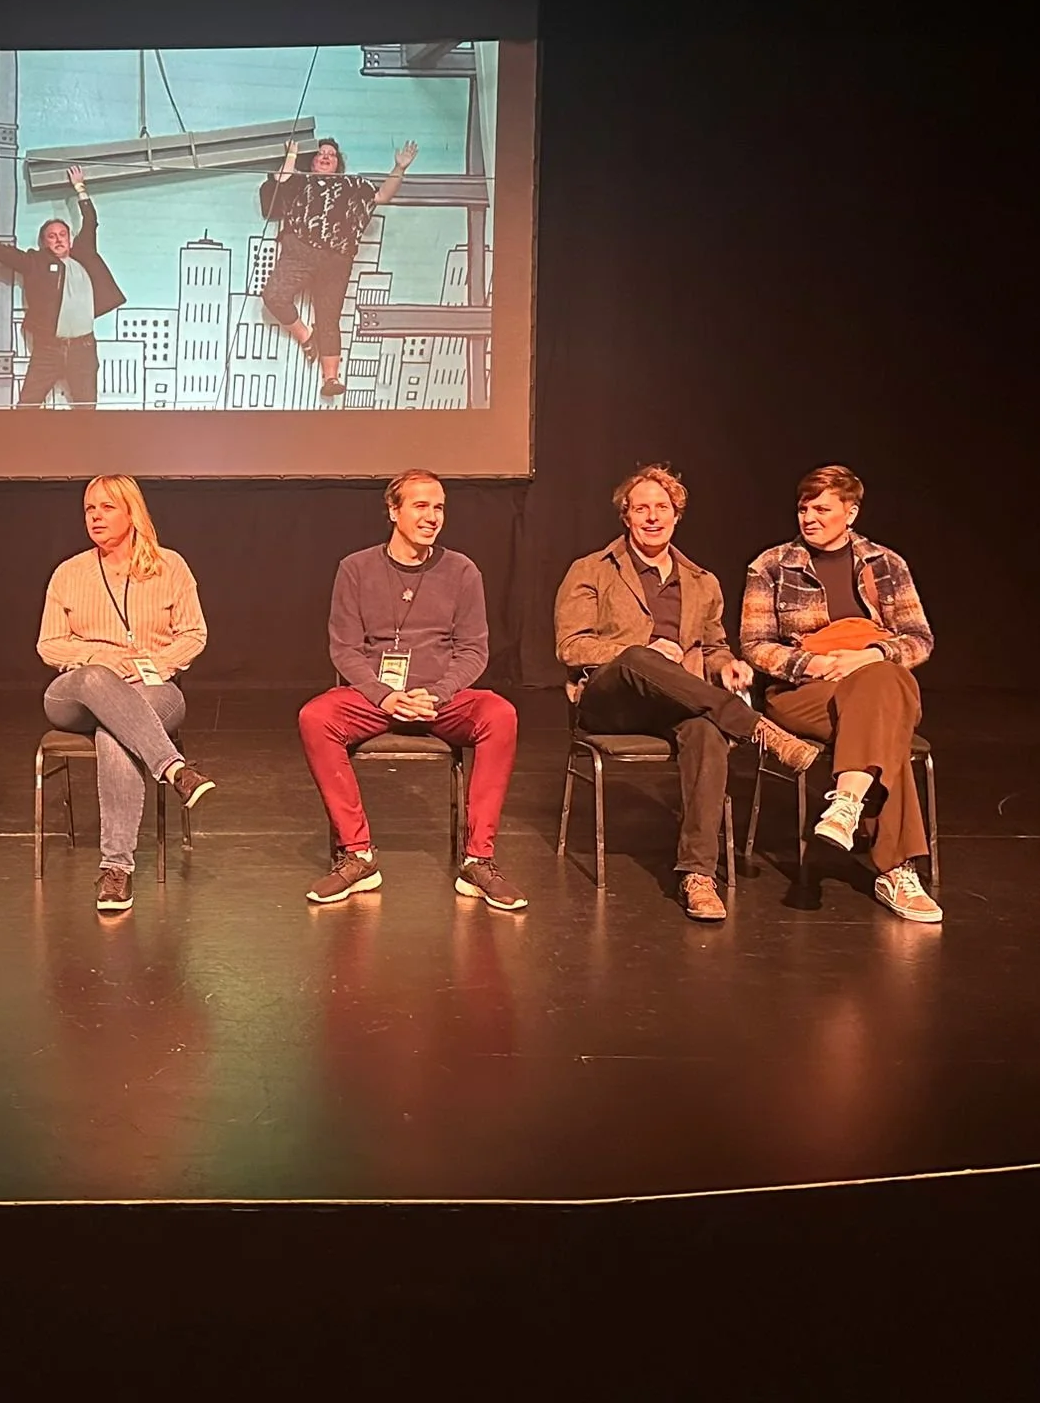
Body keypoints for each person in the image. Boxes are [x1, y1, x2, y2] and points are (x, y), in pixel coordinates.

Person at [555, 465, 822, 920]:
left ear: (677, 515)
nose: (652, 517)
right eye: (641, 509)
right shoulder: (591, 570)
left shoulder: (702, 582)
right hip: (610, 700)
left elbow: (714, 647)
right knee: (642, 658)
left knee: (706, 730)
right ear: (626, 516)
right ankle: (761, 730)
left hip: (679, 698)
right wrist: (639, 649)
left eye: (662, 508)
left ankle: (698, 874)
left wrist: (728, 666)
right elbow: (571, 645)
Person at [298, 469, 524, 911]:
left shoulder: (462, 571)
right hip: (377, 698)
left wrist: (437, 694)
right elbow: (345, 650)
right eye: (420, 506)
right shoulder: (356, 568)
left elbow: (473, 651)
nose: (432, 516)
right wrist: (384, 695)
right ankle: (358, 855)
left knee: (500, 714)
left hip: (442, 699)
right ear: (393, 511)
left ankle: (479, 861)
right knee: (316, 716)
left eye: (439, 507)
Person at [741, 465, 940, 922]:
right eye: (803, 508)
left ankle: (847, 802)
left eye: (822, 508)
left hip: (872, 684)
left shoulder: (887, 565)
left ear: (850, 512)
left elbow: (918, 638)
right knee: (886, 723)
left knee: (882, 681)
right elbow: (755, 645)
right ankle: (896, 870)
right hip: (802, 690)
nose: (809, 517)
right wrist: (818, 664)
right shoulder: (771, 565)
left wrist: (868, 655)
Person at [37, 475, 215, 915]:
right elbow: (49, 645)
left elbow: (194, 634)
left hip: (153, 688)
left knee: (115, 734)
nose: (95, 517)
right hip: (75, 692)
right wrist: (98, 656)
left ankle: (116, 869)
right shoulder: (69, 572)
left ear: (132, 513)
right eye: (88, 509)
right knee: (99, 681)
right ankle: (173, 767)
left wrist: (157, 666)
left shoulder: (170, 566)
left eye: (106, 508)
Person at [0, 167, 125, 409]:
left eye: (63, 234)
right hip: (49, 350)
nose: (59, 239)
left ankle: (83, 447)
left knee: (87, 411)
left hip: (84, 349)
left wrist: (79, 187)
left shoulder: (83, 256)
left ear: (71, 239)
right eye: (52, 236)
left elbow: (90, 221)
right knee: (27, 407)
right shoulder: (35, 262)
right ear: (44, 242)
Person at [259, 137, 417, 399]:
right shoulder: (299, 180)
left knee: (329, 320)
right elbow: (280, 183)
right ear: (312, 160)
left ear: (338, 163)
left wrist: (399, 168)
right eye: (320, 153)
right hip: (300, 251)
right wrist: (292, 155)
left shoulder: (352, 184)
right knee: (274, 296)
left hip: (336, 259)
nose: (325, 156)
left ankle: (331, 378)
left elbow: (382, 196)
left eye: (331, 154)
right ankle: (307, 337)